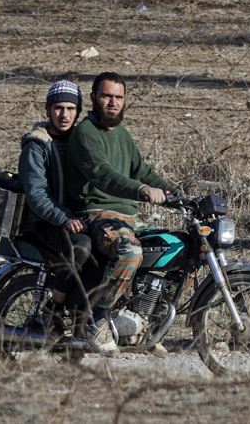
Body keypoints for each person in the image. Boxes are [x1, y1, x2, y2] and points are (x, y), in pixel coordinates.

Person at [66, 71, 178, 356]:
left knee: (179, 248)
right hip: (98, 215)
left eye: (118, 97)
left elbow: (144, 172)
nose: (113, 103)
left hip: (129, 218)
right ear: (93, 98)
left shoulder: (123, 135)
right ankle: (97, 319)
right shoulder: (85, 134)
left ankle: (144, 322)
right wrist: (141, 190)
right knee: (129, 252)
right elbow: (102, 175)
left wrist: (178, 195)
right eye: (106, 96)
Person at [18, 79, 92, 336]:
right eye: (59, 108)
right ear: (48, 109)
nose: (65, 115)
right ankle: (54, 306)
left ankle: (88, 324)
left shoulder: (79, 141)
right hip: (44, 222)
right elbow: (36, 193)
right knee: (80, 249)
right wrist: (62, 217)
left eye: (71, 109)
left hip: (75, 218)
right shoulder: (37, 144)